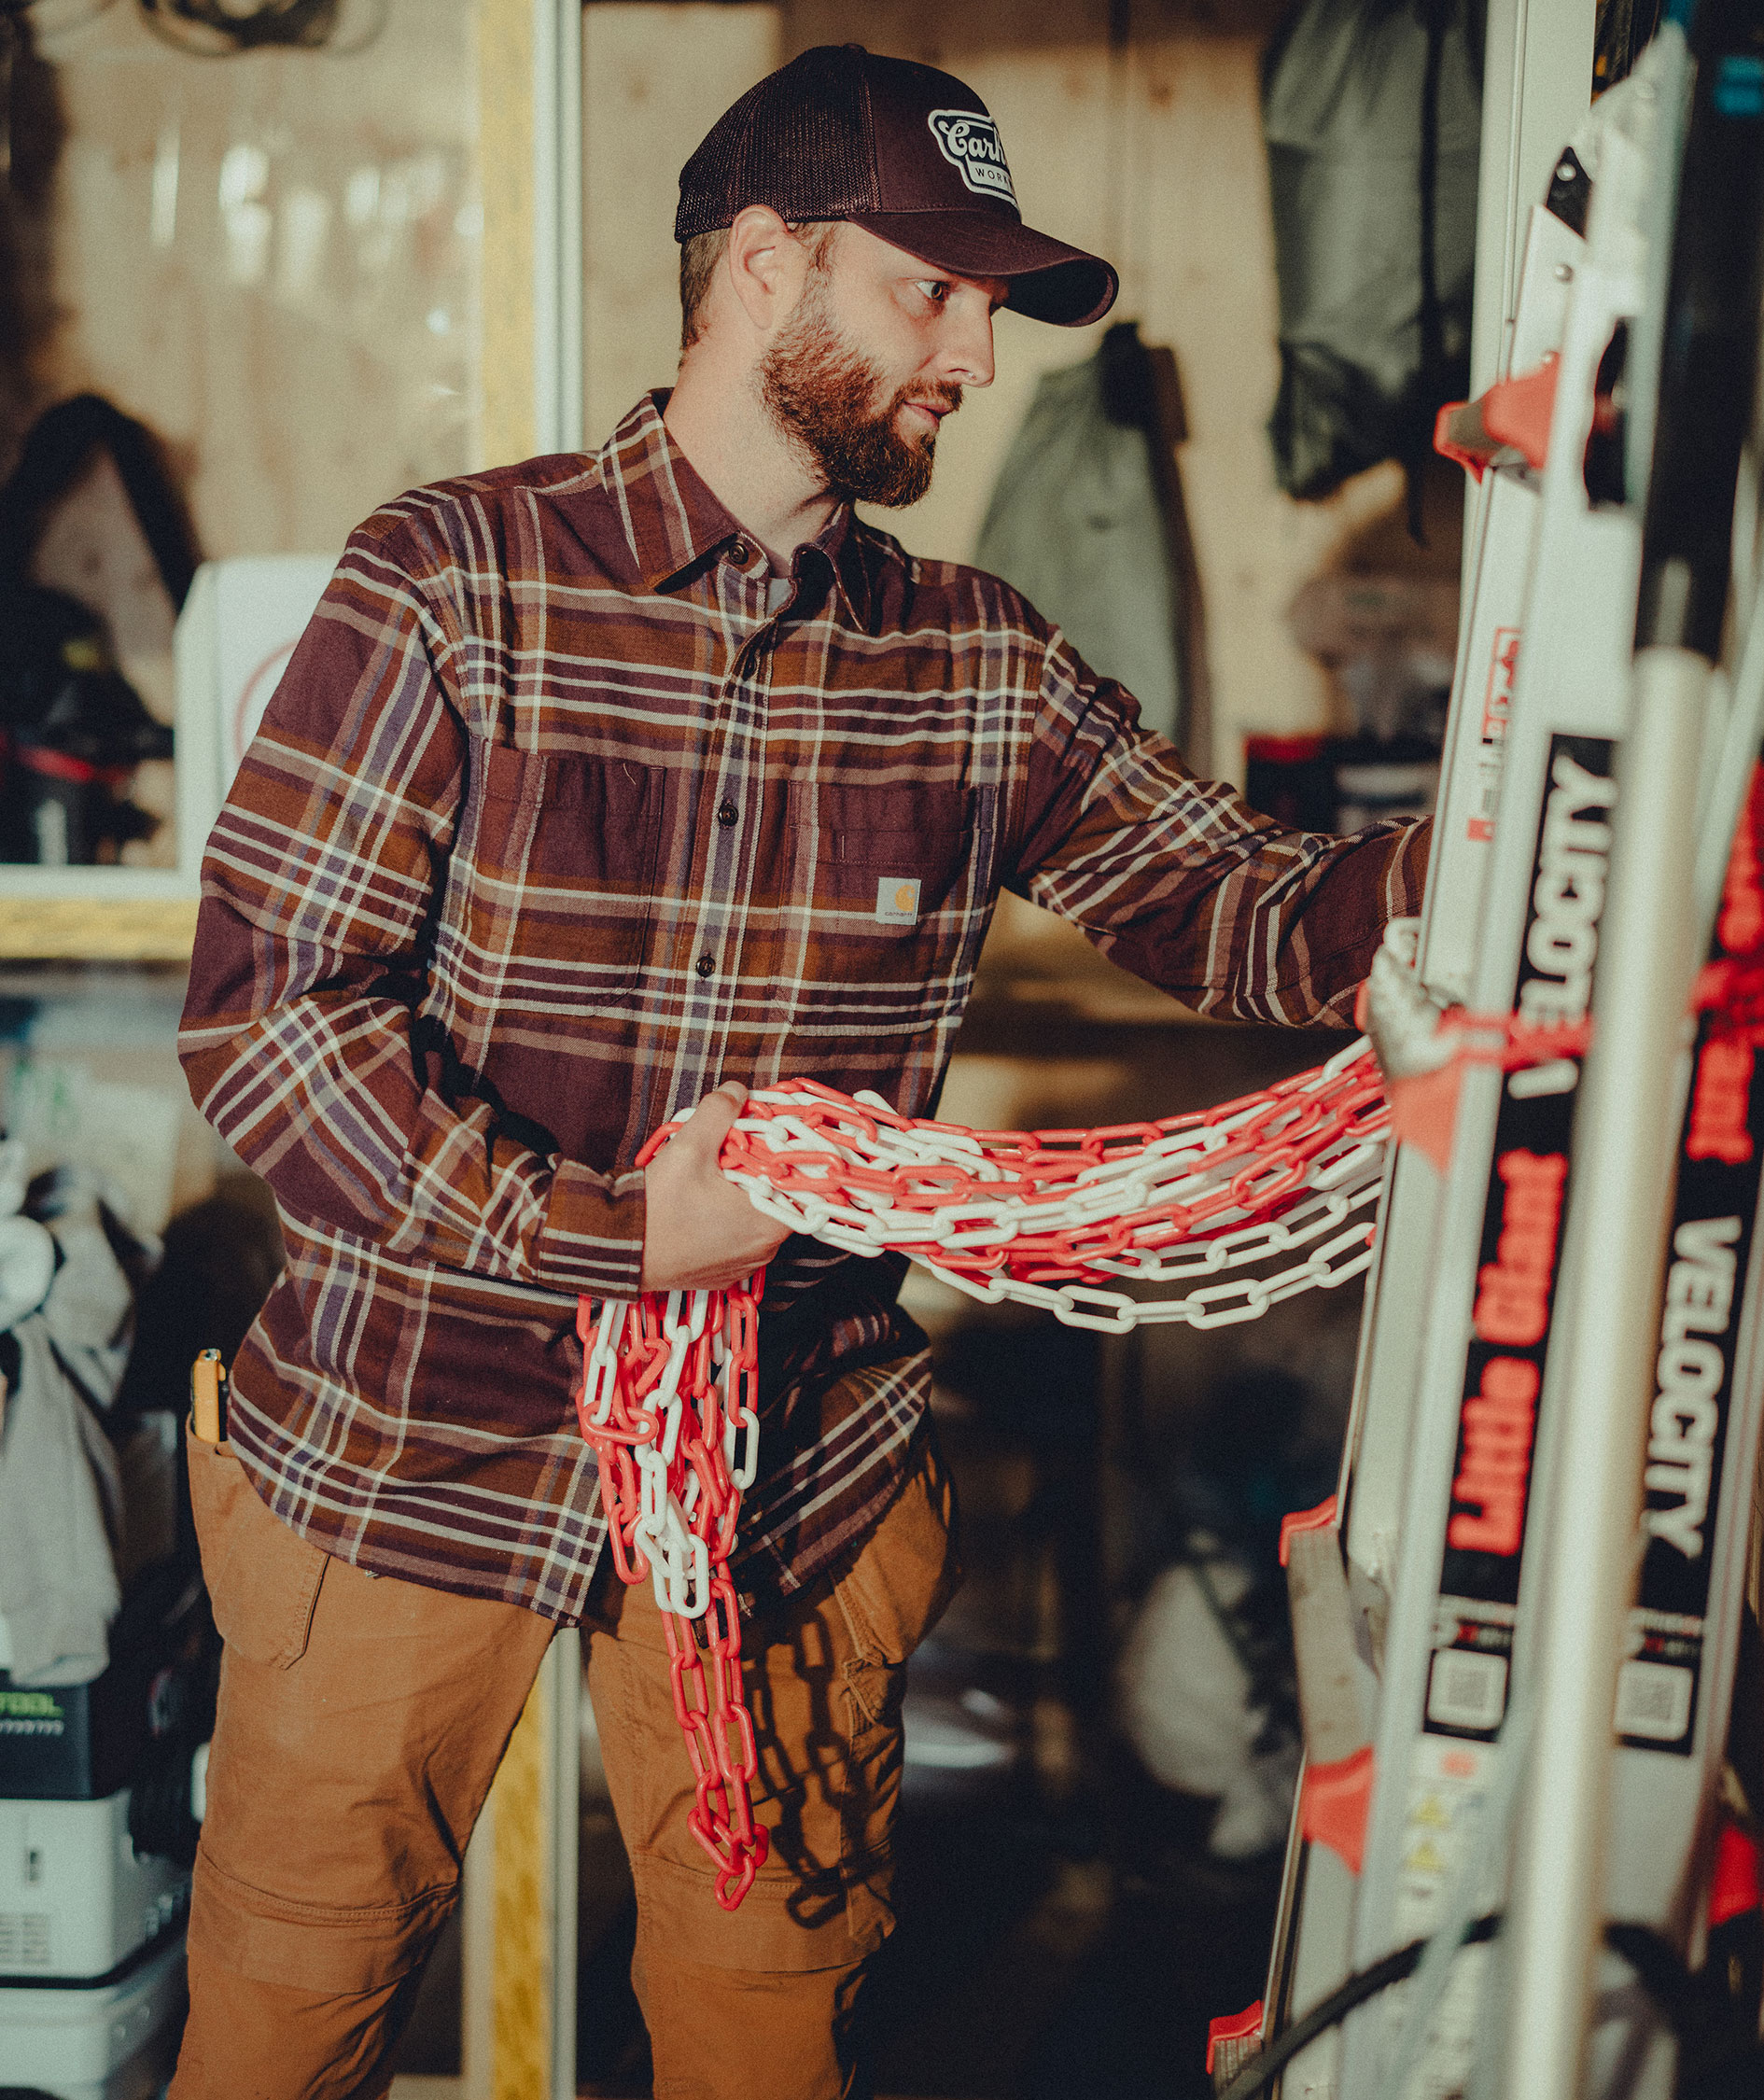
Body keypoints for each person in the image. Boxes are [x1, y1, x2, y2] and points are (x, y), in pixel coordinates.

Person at [170, 43, 1430, 2100]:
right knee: (281, 2036)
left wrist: (1514, 847)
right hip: (407, 1459)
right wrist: (610, 1236)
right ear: (765, 267)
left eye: (992, 308)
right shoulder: (460, 580)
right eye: (933, 293)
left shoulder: (979, 661)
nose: (978, 359)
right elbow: (272, 1010)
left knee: (774, 2047)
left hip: (793, 1488)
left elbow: (1251, 916)